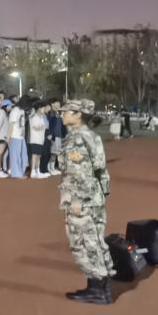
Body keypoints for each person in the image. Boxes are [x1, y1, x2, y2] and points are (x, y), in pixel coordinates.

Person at [56, 98, 114, 304]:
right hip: (94, 196)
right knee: (96, 240)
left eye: (66, 111)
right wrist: (101, 192)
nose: (62, 114)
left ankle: (97, 289)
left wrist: (77, 199)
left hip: (82, 198)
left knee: (83, 242)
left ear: (78, 114)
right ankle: (101, 286)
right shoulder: (92, 136)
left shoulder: (76, 139)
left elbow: (80, 172)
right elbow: (100, 169)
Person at [28, 102, 50, 179]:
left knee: (39, 156)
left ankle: (38, 171)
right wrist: (42, 126)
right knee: (35, 155)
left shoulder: (41, 117)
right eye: (43, 108)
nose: (44, 109)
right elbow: (35, 127)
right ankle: (33, 172)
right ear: (39, 108)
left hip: (40, 140)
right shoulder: (34, 117)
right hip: (35, 139)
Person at [7, 98, 27, 179]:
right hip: (14, 136)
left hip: (21, 136)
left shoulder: (22, 110)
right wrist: (8, 137)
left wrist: (23, 132)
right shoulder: (15, 110)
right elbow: (11, 124)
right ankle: (16, 174)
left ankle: (21, 172)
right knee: (15, 156)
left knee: (23, 155)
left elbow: (22, 123)